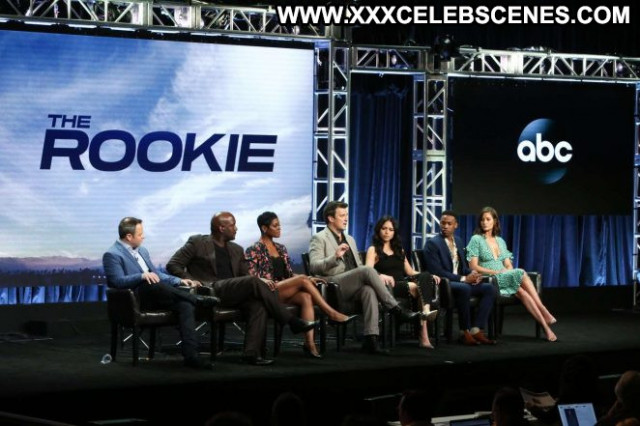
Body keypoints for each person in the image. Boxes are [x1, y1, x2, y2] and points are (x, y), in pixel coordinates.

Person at [166, 211, 316, 366]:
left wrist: (260, 280)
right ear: (222, 228)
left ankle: (251, 354)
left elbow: (245, 276)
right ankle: (291, 320)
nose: (236, 228)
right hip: (210, 290)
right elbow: (173, 264)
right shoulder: (197, 242)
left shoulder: (236, 249)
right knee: (253, 281)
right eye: (233, 225)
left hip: (232, 293)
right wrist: (191, 280)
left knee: (258, 304)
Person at [102, 217, 219, 370]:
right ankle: (196, 299)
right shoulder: (112, 254)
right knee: (151, 283)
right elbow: (116, 282)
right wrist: (141, 276)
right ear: (129, 236)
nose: (143, 236)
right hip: (135, 300)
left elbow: (157, 275)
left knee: (185, 305)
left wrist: (179, 281)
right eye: (140, 234)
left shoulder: (142, 251)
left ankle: (191, 356)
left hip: (157, 294)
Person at [308, 201, 419, 355]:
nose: (346, 218)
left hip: (352, 284)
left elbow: (359, 267)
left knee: (368, 290)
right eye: (342, 215)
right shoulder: (319, 238)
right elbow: (314, 266)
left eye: (346, 215)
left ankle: (371, 340)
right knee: (367, 271)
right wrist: (335, 257)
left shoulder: (350, 239)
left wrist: (378, 276)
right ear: (330, 218)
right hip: (332, 284)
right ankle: (395, 309)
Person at [245, 211, 355, 358]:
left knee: (305, 297)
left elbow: (290, 275)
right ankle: (331, 313)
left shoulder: (281, 248)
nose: (279, 228)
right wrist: (265, 280)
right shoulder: (254, 249)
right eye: (275, 226)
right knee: (303, 280)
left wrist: (309, 278)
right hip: (267, 291)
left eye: (280, 225)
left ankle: (309, 344)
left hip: (282, 289)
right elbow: (250, 276)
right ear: (264, 228)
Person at [466, 206, 557, 342]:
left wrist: (507, 271)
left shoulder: (500, 241)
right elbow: (473, 266)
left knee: (522, 291)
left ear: (495, 221)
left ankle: (546, 327)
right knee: (522, 272)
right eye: (482, 220)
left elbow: (508, 264)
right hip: (490, 279)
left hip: (505, 276)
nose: (484, 222)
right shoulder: (476, 239)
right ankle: (543, 310)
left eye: (488, 219)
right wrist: (497, 272)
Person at [365, 216, 441, 349]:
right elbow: (367, 271)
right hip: (387, 287)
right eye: (384, 228)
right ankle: (423, 335)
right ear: (378, 230)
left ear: (394, 232)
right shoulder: (373, 249)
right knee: (415, 287)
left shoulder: (399, 250)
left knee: (425, 276)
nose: (387, 232)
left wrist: (429, 276)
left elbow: (410, 272)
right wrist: (380, 275)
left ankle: (425, 311)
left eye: (390, 229)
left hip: (403, 284)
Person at [423, 210, 497, 345]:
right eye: (443, 223)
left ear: (455, 225)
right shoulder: (432, 244)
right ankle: (464, 331)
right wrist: (464, 279)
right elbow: (437, 271)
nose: (445, 226)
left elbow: (463, 268)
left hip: (460, 282)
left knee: (489, 288)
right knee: (465, 288)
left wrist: (473, 274)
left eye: (449, 223)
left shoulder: (459, 241)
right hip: (444, 284)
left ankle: (476, 329)